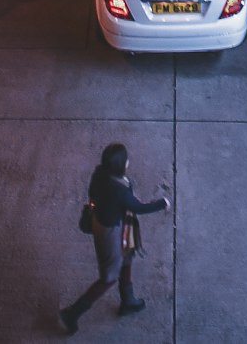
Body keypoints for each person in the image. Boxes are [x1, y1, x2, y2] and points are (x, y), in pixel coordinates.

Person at [60, 143, 169, 334]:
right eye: (126, 160)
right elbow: (138, 207)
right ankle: (72, 314)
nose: (128, 162)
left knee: (127, 257)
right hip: (110, 233)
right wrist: (163, 203)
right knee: (108, 277)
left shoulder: (99, 174)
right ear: (121, 165)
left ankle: (128, 300)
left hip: (108, 225)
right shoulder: (119, 190)